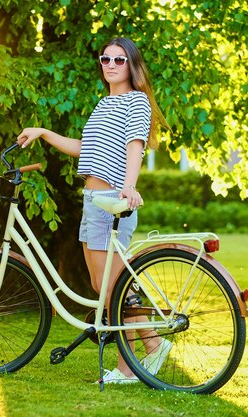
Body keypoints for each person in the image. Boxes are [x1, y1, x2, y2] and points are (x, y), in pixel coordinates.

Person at [17, 37, 171, 384]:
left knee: (112, 289)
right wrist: (43, 132)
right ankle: (152, 346)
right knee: (102, 284)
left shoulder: (137, 102)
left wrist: (130, 186)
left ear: (132, 65)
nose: (111, 64)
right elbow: (83, 147)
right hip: (93, 202)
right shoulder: (103, 105)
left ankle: (129, 366)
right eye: (106, 59)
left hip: (113, 200)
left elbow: (135, 145)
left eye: (119, 59)